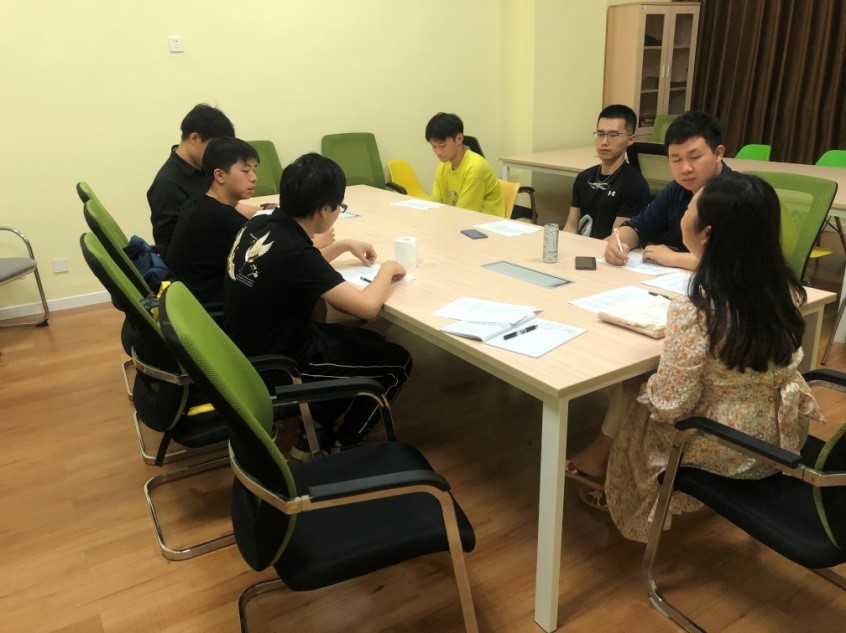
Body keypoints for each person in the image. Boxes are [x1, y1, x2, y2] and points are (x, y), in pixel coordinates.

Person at [572, 172, 823, 542]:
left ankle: (622, 491)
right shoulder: (785, 289)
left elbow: (670, 404)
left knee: (639, 396)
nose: (684, 212)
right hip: (781, 435)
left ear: (705, 235)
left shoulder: (698, 308)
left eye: (690, 208)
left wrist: (639, 387)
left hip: (727, 448)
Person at [223, 153, 412, 457]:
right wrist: (388, 269)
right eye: (339, 207)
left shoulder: (261, 224)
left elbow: (296, 267)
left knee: (367, 340)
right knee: (398, 362)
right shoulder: (296, 252)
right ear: (324, 209)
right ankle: (342, 444)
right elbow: (366, 307)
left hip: (246, 348)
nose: (338, 212)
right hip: (282, 365)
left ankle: (314, 428)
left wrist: (343, 245)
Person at [603, 110, 730, 271]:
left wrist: (675, 258)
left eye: (695, 157)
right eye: (676, 159)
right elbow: (639, 227)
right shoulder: (677, 189)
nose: (685, 168)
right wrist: (617, 242)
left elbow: (733, 261)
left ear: (718, 154)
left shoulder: (737, 195)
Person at [166, 137, 257, 305]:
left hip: (189, 299)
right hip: (217, 306)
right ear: (220, 175)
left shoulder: (195, 203)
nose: (253, 178)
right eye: (246, 171)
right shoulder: (225, 220)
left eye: (254, 170)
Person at [562, 105, 650, 239]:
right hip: (580, 248)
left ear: (630, 139)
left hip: (608, 250)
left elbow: (617, 239)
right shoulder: (584, 177)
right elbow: (571, 226)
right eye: (600, 134)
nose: (604, 142)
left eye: (613, 135)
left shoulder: (634, 185)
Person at [426, 112, 505, 216]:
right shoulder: (443, 166)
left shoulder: (475, 168)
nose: (438, 152)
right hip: (457, 219)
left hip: (485, 222)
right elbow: (435, 204)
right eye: (434, 146)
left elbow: (464, 214)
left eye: (443, 145)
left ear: (459, 139)